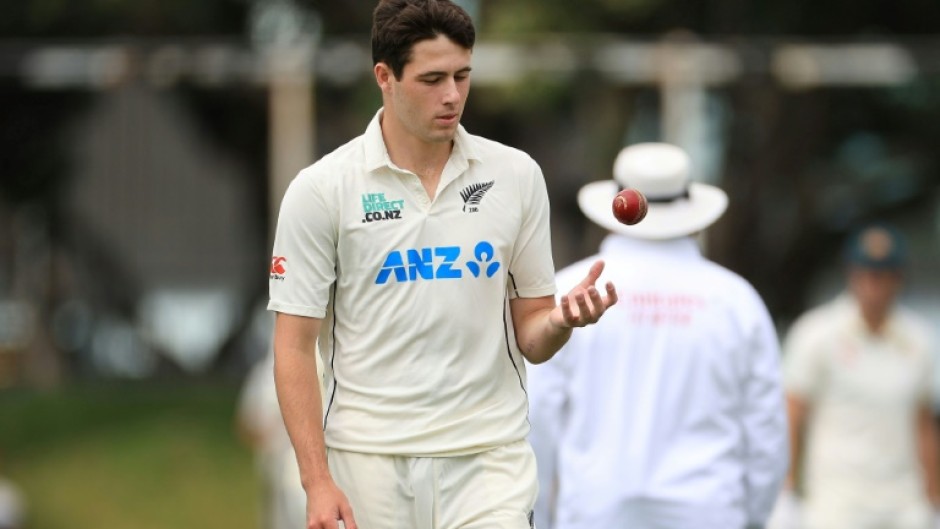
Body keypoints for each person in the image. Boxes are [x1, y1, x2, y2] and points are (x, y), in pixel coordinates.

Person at [266, 1, 618, 528]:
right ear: (384, 77)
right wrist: (317, 481)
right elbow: (293, 346)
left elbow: (533, 335)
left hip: (487, 459)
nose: (452, 95)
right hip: (369, 464)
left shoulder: (515, 176)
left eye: (462, 75)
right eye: (432, 79)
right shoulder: (322, 190)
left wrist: (563, 322)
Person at [526, 142, 789, 529]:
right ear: (692, 213)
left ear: (613, 207)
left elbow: (537, 420)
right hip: (707, 512)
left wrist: (540, 518)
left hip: (595, 513)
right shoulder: (735, 302)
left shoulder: (570, 296)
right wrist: (750, 518)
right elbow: (765, 432)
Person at [776, 222, 940, 529]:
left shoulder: (919, 340)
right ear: (851, 275)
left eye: (881, 275)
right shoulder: (816, 334)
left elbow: (924, 425)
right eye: (864, 273)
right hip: (837, 505)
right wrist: (787, 492)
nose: (871, 285)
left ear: (898, 279)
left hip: (904, 505)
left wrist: (934, 497)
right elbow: (792, 416)